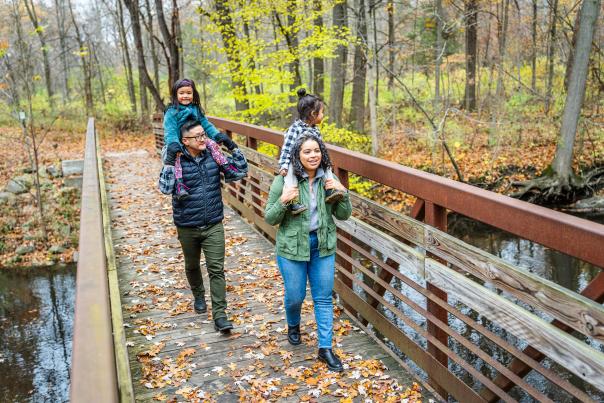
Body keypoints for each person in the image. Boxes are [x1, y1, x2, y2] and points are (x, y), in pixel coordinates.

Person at [264, 133, 352, 372]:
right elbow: (270, 217)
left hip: (322, 245)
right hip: (292, 248)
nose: (313, 156)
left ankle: (325, 349)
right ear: (297, 155)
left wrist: (342, 192)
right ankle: (293, 324)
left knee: (323, 298)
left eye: (317, 151)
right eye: (307, 152)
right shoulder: (284, 181)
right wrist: (283, 201)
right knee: (295, 296)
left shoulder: (328, 180)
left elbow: (344, 215)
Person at [159, 118, 234, 333]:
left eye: (204, 135)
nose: (203, 139)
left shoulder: (214, 155)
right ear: (185, 140)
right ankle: (199, 294)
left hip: (213, 223)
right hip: (187, 224)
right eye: (198, 137)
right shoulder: (175, 160)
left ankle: (220, 315)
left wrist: (231, 146)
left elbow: (237, 170)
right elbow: (164, 188)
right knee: (192, 265)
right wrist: (169, 161)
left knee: (216, 269)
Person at [163, 78, 246, 200]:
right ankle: (180, 184)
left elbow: (206, 124)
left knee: (212, 144)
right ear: (175, 94)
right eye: (181, 93)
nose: (185, 96)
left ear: (193, 94)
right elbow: (170, 130)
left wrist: (216, 135)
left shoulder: (195, 108)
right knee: (177, 158)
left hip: (197, 139)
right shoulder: (172, 111)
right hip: (179, 142)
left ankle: (226, 168)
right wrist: (173, 144)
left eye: (189, 93)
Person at [278, 88, 345, 215]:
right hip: (295, 161)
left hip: (311, 161)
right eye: (322, 112)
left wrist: (326, 161)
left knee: (326, 166)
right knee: (290, 175)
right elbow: (286, 149)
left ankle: (330, 190)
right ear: (314, 114)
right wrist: (283, 165)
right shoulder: (295, 129)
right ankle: (293, 202)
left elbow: (321, 149)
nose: (323, 115)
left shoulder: (315, 130)